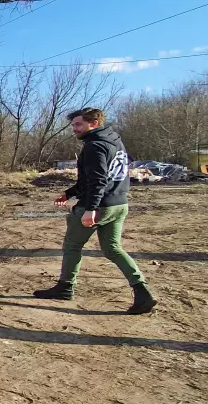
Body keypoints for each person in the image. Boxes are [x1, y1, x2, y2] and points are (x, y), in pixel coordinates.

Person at [33, 108, 157, 314]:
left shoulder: (95, 146)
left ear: (94, 123)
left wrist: (90, 209)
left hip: (99, 206)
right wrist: (69, 193)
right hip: (119, 204)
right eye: (73, 125)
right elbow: (101, 177)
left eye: (78, 124)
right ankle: (142, 291)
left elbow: (98, 181)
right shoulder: (115, 141)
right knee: (113, 249)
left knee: (72, 245)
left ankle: (65, 287)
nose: (74, 129)